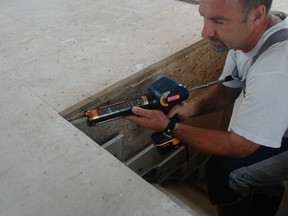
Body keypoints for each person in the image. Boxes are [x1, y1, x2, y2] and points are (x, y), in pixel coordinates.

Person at [126, 0, 288, 215]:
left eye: (218, 21)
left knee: (224, 173)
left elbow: (239, 146)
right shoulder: (250, 34)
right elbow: (226, 90)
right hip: (280, 122)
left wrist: (169, 127)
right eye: (204, 16)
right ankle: (266, 192)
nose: (205, 32)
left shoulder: (275, 69)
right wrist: (190, 108)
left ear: (257, 14)